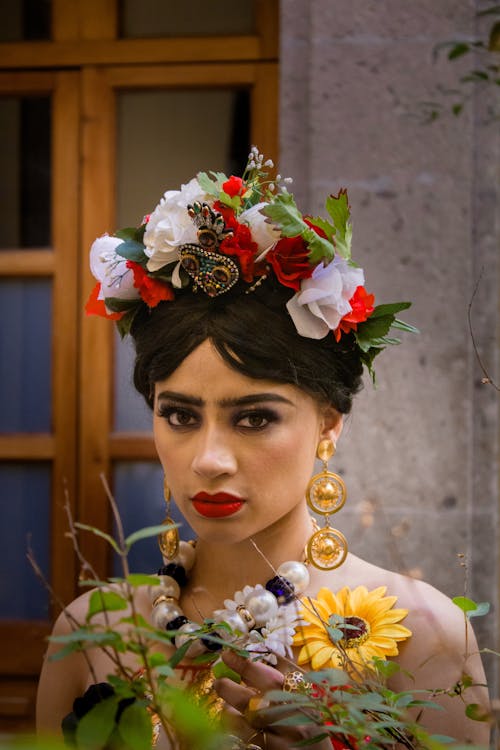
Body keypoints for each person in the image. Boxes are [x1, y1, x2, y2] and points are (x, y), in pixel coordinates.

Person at [36, 149, 490, 748]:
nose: (209, 458)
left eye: (253, 419)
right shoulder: (94, 632)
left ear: (329, 424)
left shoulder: (422, 632)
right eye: (179, 415)